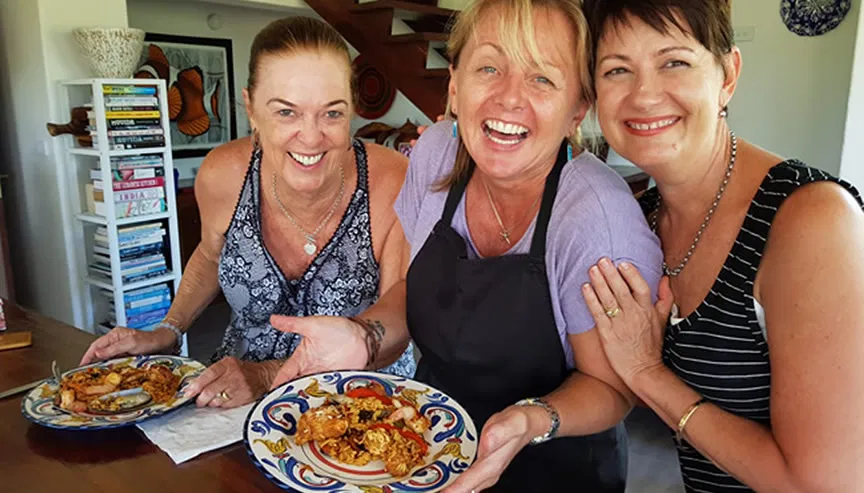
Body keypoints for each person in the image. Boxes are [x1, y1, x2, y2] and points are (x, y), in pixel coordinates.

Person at [269, 1, 663, 491]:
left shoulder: (596, 220)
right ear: (455, 84)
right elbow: (414, 296)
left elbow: (612, 386)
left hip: (556, 465)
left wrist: (527, 420)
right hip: (434, 450)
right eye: (489, 67)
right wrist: (363, 336)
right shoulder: (435, 155)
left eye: (542, 78)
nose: (508, 98)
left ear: (577, 108)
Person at [580, 1, 864, 491]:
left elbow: (824, 484)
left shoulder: (811, 219)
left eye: (675, 62)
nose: (644, 95)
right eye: (617, 70)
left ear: (728, 75)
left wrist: (649, 373)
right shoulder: (640, 220)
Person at [79, 16, 416, 408]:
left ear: (352, 112)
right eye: (286, 112)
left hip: (360, 403)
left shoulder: (392, 180)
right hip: (235, 398)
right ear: (251, 108)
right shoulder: (224, 175)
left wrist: (269, 375)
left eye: (332, 113)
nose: (311, 135)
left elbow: (401, 313)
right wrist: (169, 329)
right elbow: (211, 254)